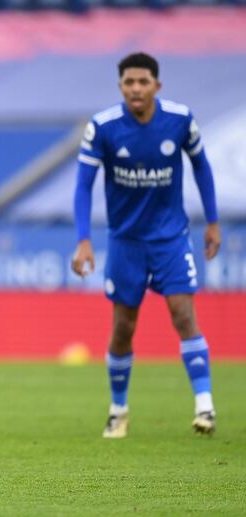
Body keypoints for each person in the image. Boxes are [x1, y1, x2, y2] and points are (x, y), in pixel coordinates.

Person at [71, 53, 220, 438]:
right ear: (120, 87)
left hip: (170, 238)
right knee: (123, 326)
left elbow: (202, 167)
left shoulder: (180, 120)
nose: (136, 88)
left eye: (143, 81)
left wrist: (214, 222)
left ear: (157, 85)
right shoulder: (103, 127)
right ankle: (118, 410)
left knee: (183, 314)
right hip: (125, 241)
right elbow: (84, 184)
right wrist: (83, 240)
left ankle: (205, 406)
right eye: (129, 83)